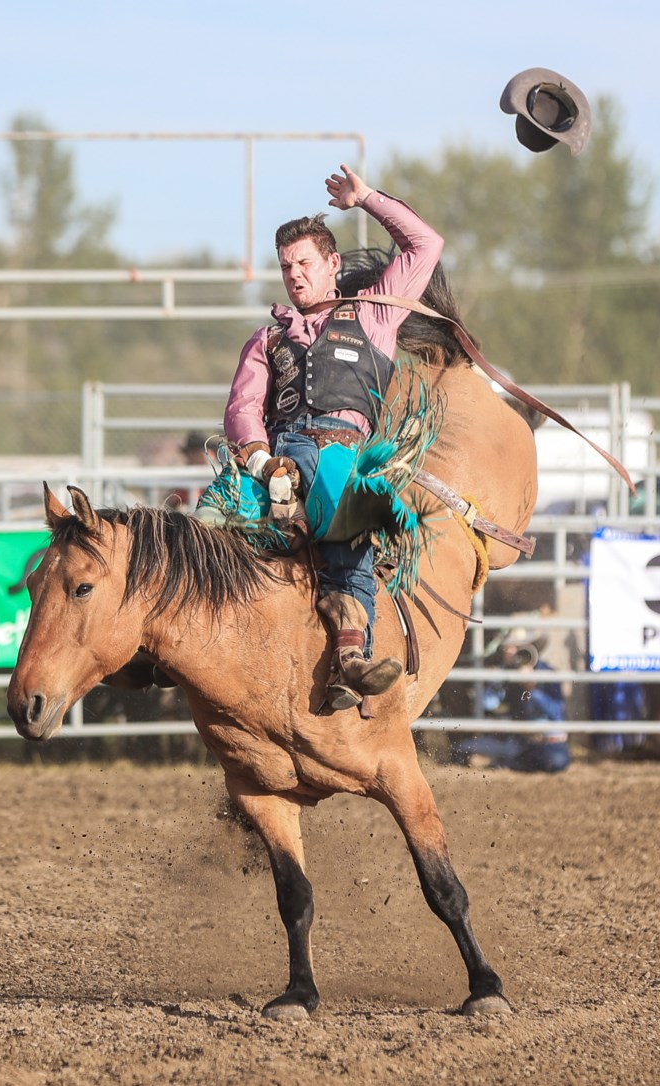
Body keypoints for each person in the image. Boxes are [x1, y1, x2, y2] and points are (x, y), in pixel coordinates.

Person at [223, 163, 444, 710]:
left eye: (304, 262)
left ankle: (351, 660)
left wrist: (366, 198)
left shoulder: (373, 316)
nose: (294, 274)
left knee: (346, 504)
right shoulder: (268, 338)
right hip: (279, 453)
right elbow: (243, 408)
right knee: (209, 521)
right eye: (285, 267)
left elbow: (425, 244)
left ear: (332, 265)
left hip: (345, 450)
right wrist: (259, 463)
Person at [457, 628, 571, 773]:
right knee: (461, 750)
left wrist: (532, 691)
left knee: (556, 761)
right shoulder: (508, 673)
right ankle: (509, 761)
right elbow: (488, 703)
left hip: (546, 741)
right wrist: (501, 679)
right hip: (517, 740)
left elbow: (557, 713)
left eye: (517, 647)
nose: (510, 651)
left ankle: (507, 763)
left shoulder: (548, 673)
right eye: (509, 647)